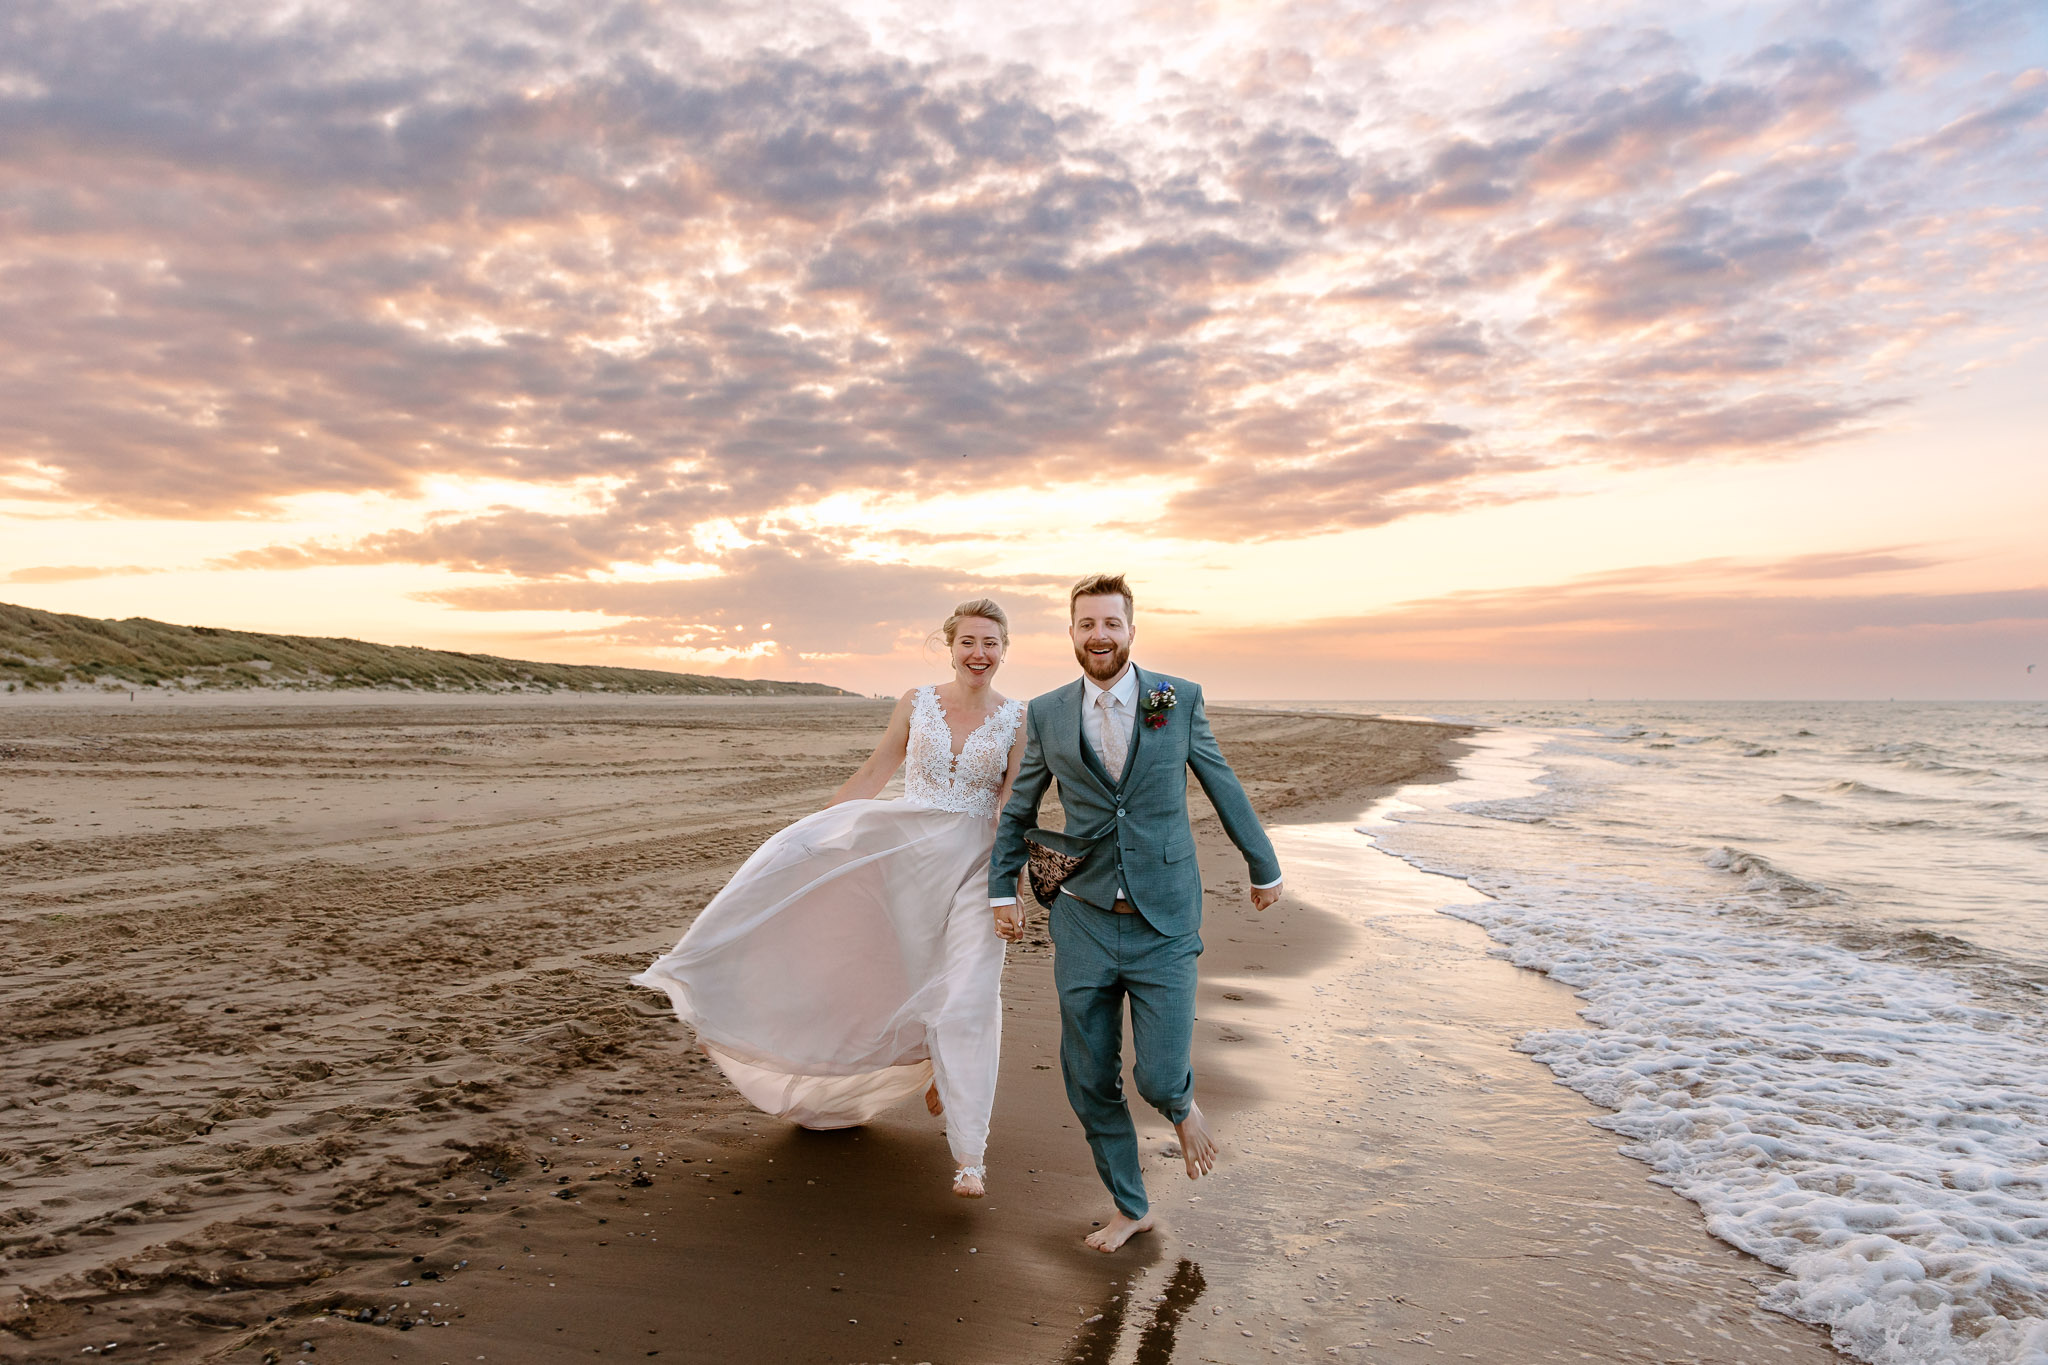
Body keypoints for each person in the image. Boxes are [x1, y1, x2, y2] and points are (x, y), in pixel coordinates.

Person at [633, 599, 1026, 1197]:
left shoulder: (1018, 719)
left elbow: (1013, 810)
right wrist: (810, 839)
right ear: (950, 646)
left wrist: (1010, 889)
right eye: (969, 640)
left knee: (970, 990)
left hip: (978, 864)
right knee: (912, 978)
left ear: (1005, 648)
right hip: (907, 860)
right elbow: (871, 778)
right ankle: (935, 1064)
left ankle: (969, 1157)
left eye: (991, 642)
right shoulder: (916, 703)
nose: (980, 653)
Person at [989, 573, 1282, 1251]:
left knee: (1155, 1072)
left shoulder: (1175, 699)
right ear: (1071, 633)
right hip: (1084, 915)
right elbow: (1023, 804)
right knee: (1087, 1074)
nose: (1099, 636)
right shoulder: (1048, 711)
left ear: (1130, 629)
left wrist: (1261, 862)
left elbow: (1221, 779)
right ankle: (1131, 1205)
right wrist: (1001, 888)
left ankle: (1180, 1103)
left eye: (1111, 624)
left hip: (1165, 918)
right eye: (1086, 624)